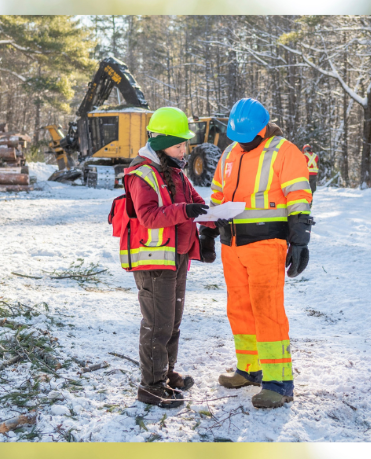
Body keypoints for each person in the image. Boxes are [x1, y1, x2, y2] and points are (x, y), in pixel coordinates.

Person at [202, 98, 313, 409]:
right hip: (232, 245)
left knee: (267, 312)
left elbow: (299, 195)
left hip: (266, 243)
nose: (241, 142)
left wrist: (300, 239)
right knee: (239, 309)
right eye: (237, 137)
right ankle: (250, 370)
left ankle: (278, 383)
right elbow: (217, 195)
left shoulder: (283, 151)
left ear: (263, 128)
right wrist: (208, 231)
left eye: (247, 136)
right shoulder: (229, 152)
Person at [123, 107, 210, 409]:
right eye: (178, 144)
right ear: (161, 144)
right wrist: (184, 211)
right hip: (155, 262)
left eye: (185, 144)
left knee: (172, 323)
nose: (184, 150)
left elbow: (195, 201)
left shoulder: (175, 169)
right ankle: (151, 387)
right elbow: (148, 216)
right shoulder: (142, 173)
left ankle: (166, 373)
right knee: (157, 325)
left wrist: (215, 219)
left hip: (178, 257)